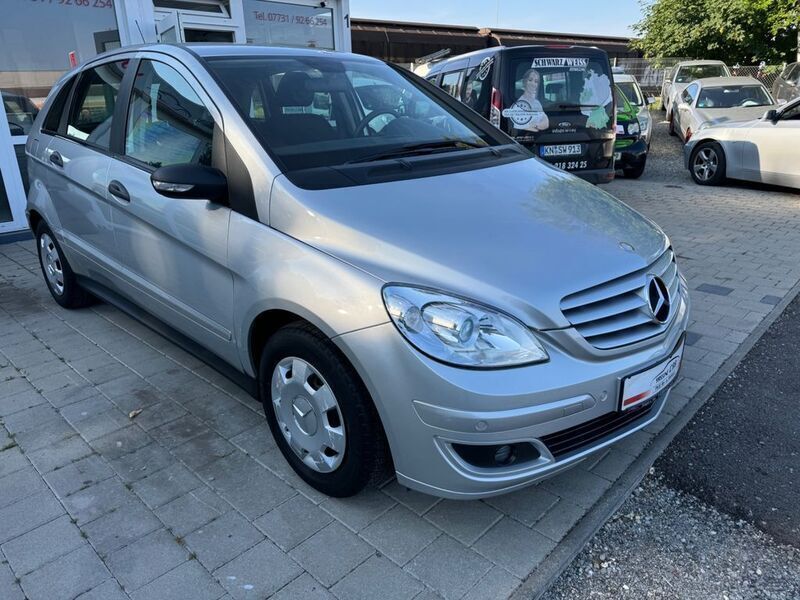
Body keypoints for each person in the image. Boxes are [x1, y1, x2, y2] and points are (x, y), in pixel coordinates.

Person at [504, 68, 549, 133]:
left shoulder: (537, 103)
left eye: (536, 81)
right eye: (530, 80)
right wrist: (538, 126)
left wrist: (534, 125)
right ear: (524, 82)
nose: (533, 84)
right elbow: (520, 128)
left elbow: (546, 122)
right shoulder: (518, 105)